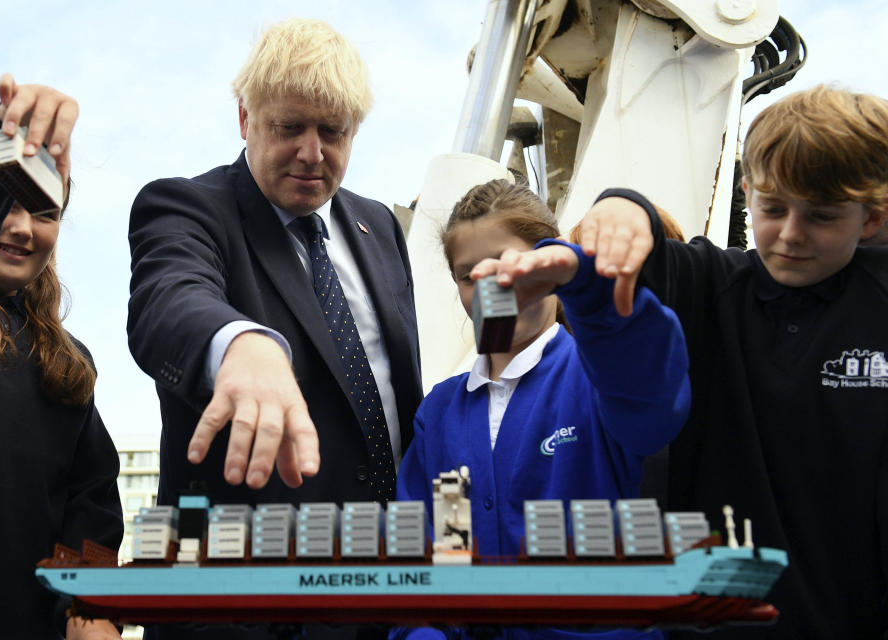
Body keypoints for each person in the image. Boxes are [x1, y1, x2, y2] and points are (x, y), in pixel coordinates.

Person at [127, 18, 422, 637]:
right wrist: (240, 344)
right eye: (290, 128)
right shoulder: (187, 207)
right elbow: (170, 297)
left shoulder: (382, 229)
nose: (313, 153)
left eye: (333, 132)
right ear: (245, 119)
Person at [578, 85, 888, 638]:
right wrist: (621, 205)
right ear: (747, 192)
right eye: (772, 208)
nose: (790, 234)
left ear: (870, 219)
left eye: (821, 216)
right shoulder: (713, 286)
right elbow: (650, 260)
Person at [394, 179, 690, 640]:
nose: (489, 286)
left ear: (552, 263)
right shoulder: (441, 413)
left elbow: (651, 394)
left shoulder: (601, 379)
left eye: (510, 266)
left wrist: (594, 290)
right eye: (467, 274)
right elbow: (437, 545)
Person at [0, 75, 122, 638]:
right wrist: (1, 136)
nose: (20, 228)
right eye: (4, 205)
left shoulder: (70, 364)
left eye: (43, 211)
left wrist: (89, 610)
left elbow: (91, 507)